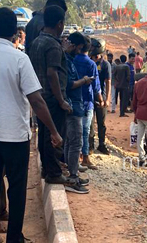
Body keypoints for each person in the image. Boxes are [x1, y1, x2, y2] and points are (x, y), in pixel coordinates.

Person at [0, 7, 63, 243]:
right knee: (16, 190)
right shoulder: (20, 59)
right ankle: (14, 238)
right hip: (16, 138)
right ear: (15, 33)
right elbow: (36, 100)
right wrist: (53, 131)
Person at [29, 5, 73, 185]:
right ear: (60, 24)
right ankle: (54, 173)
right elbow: (52, 73)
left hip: (40, 97)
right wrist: (61, 100)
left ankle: (47, 170)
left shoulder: (37, 42)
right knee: (55, 137)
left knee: (45, 135)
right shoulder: (53, 45)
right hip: (53, 99)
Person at [63, 33, 93, 194]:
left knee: (70, 142)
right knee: (75, 143)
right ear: (75, 46)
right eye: (79, 47)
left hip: (75, 104)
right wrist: (84, 80)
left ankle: (71, 174)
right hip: (72, 106)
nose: (80, 51)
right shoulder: (66, 60)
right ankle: (73, 178)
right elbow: (68, 84)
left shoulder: (71, 60)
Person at [71, 33, 104, 169]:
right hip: (87, 101)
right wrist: (101, 101)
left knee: (74, 131)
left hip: (73, 99)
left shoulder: (71, 60)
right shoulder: (91, 64)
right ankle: (85, 157)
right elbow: (96, 87)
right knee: (85, 130)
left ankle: (75, 157)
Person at [89, 38, 111, 155]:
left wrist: (107, 99)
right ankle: (90, 146)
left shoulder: (105, 65)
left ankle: (101, 145)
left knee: (101, 124)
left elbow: (108, 81)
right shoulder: (89, 62)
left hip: (101, 98)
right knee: (90, 124)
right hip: (90, 98)